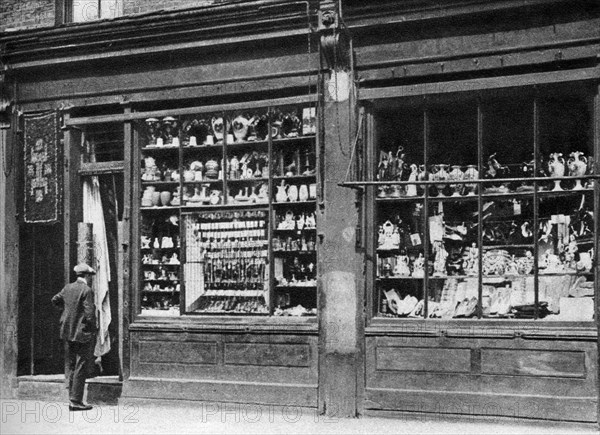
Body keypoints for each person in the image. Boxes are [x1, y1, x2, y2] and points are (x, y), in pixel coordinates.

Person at [51, 262, 97, 411]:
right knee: (80, 365)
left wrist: (66, 314)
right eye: (90, 276)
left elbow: (55, 300)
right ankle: (76, 400)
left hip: (67, 332)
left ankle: (72, 398)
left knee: (72, 364)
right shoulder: (86, 290)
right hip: (82, 333)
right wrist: (93, 328)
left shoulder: (68, 287)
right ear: (87, 276)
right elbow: (89, 314)